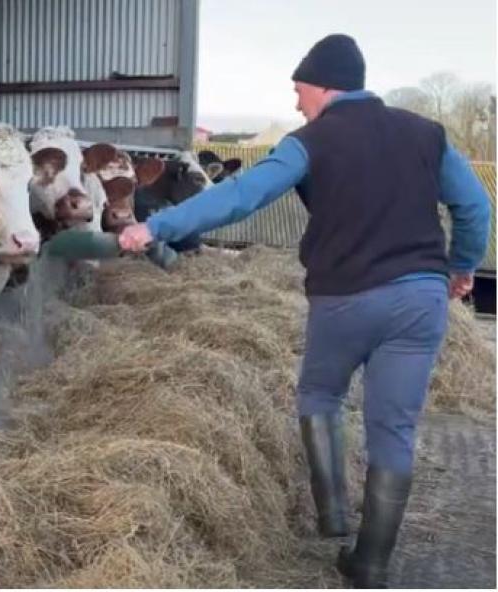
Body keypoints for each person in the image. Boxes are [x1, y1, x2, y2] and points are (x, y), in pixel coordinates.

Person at [118, 33, 491, 588]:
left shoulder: (309, 141)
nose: (296, 103)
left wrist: (157, 225)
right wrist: (460, 267)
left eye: (299, 90)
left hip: (345, 298)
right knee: (394, 428)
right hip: (420, 300)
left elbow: (241, 196)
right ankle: (369, 564)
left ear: (322, 85)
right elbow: (475, 204)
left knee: (320, 394)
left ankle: (332, 514)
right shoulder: (427, 134)